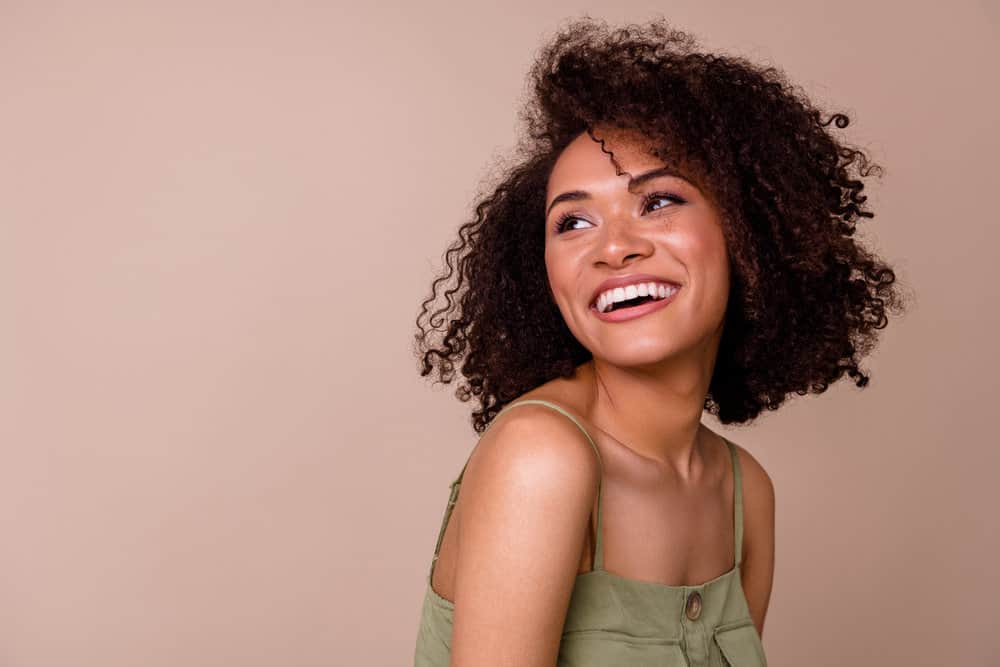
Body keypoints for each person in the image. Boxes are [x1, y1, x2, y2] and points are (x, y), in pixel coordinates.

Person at [412, 15, 907, 667]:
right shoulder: (542, 458)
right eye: (574, 221)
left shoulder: (743, 495)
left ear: (746, 232)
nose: (614, 246)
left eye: (659, 201)